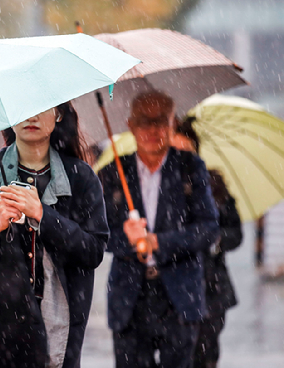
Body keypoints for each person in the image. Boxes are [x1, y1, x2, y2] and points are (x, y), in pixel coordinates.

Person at [0, 101, 109, 368]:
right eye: (22, 105)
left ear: (58, 114)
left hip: (57, 327)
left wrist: (43, 215)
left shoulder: (80, 177)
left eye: (42, 105)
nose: (31, 115)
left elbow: (93, 251)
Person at [98, 91, 219, 368]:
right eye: (144, 121)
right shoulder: (114, 172)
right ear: (130, 124)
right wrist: (126, 238)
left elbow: (209, 228)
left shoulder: (190, 167)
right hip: (129, 297)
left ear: (173, 122)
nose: (152, 129)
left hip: (179, 295)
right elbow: (97, 235)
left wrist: (159, 242)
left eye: (160, 121)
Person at [174, 119, 243, 368]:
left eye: (186, 151)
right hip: (172, 290)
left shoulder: (215, 186)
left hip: (211, 288)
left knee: (205, 354)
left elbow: (235, 233)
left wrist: (216, 239)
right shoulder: (155, 188)